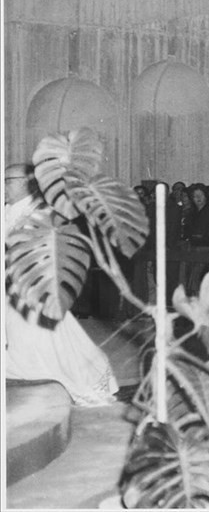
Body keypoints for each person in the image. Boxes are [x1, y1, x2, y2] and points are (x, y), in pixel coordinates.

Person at [4, 163, 119, 407]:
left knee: (43, 340)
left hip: (33, 288)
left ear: (27, 183)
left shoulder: (39, 212)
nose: (3, 186)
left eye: (8, 180)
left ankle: (68, 379)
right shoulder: (7, 210)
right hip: (11, 288)